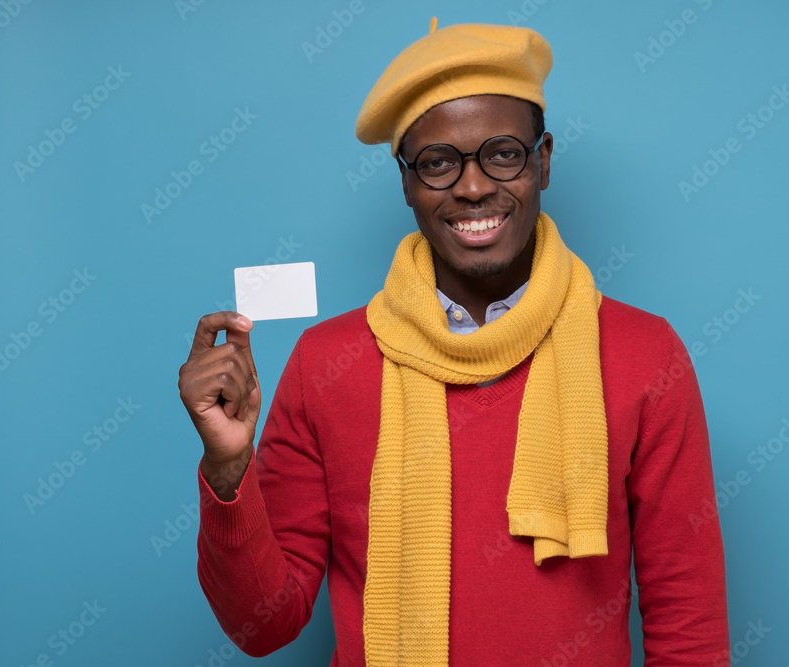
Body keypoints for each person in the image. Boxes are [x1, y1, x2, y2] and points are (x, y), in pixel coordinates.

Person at [178, 18, 730, 667]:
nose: (472, 186)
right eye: (438, 162)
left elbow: (688, 622)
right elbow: (262, 625)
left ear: (544, 161)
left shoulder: (644, 354)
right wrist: (226, 467)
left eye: (502, 152)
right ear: (406, 182)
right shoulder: (327, 363)